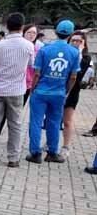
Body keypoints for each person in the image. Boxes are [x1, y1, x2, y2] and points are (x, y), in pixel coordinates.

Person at [26, 20, 81, 164]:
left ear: (56, 32)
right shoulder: (75, 52)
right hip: (59, 93)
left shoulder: (45, 49)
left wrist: (33, 89)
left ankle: (35, 153)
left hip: (41, 91)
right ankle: (52, 152)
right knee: (55, 123)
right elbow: (73, 76)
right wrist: (66, 91)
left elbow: (37, 73)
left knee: (36, 122)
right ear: (70, 34)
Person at [0, 13, 35, 167]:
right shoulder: (28, 46)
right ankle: (13, 159)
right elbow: (31, 65)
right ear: (22, 27)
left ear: (6, 26)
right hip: (16, 91)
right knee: (15, 125)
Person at [60, 31, 90, 157]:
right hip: (59, 90)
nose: (76, 43)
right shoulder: (65, 54)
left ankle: (66, 146)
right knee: (55, 120)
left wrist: (79, 53)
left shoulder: (85, 58)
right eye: (73, 40)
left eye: (79, 41)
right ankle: (51, 142)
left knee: (67, 121)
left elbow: (78, 76)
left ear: (84, 43)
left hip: (72, 93)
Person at [22, 25, 41, 105]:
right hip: (15, 82)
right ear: (23, 33)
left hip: (28, 84)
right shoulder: (19, 46)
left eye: (34, 33)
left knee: (19, 109)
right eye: (29, 32)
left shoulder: (38, 50)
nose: (32, 34)